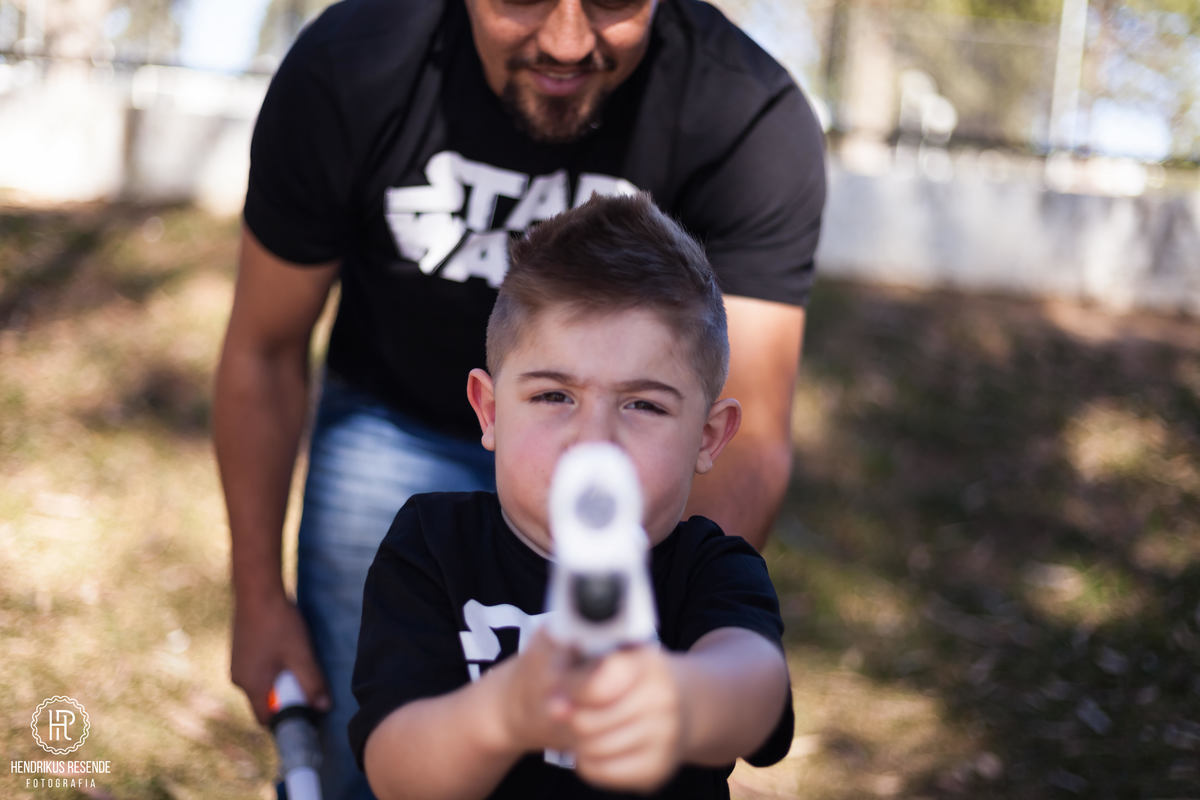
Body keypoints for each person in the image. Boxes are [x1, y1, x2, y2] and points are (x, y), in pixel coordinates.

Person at [212, 1, 823, 797]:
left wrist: (678, 694)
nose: (568, 41)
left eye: (608, 1)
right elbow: (262, 348)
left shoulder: (747, 112)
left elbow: (751, 681)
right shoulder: (350, 66)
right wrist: (259, 599)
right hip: (390, 413)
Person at [350, 192, 793, 799]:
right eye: (555, 396)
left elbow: (757, 690)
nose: (594, 441)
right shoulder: (434, 545)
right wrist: (501, 715)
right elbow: (397, 772)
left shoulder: (710, 568)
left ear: (708, 436)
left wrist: (679, 698)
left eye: (643, 405)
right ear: (490, 411)